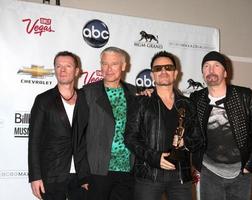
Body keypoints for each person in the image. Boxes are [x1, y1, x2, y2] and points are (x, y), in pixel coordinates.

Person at [125, 51, 201, 200]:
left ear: (175, 73)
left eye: (168, 67)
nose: (163, 71)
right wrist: (155, 157)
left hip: (181, 177)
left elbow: (198, 138)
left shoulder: (188, 104)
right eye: (158, 68)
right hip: (148, 176)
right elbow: (130, 137)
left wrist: (185, 141)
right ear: (152, 75)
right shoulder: (141, 102)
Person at [190, 51, 252, 200]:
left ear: (225, 73)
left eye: (216, 66)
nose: (211, 70)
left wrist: (249, 165)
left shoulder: (244, 96)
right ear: (202, 73)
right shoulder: (196, 98)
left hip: (240, 172)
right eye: (206, 66)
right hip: (209, 171)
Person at [28, 51, 89, 200]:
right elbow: (34, 141)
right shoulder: (43, 100)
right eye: (58, 66)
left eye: (68, 66)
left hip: (82, 177)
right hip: (52, 174)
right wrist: (35, 177)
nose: (62, 70)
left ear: (76, 71)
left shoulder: (86, 99)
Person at [77, 46, 136, 200]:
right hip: (97, 171)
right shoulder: (88, 92)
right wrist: (83, 175)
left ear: (123, 66)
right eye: (104, 64)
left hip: (128, 171)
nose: (108, 69)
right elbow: (78, 136)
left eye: (114, 64)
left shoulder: (134, 93)